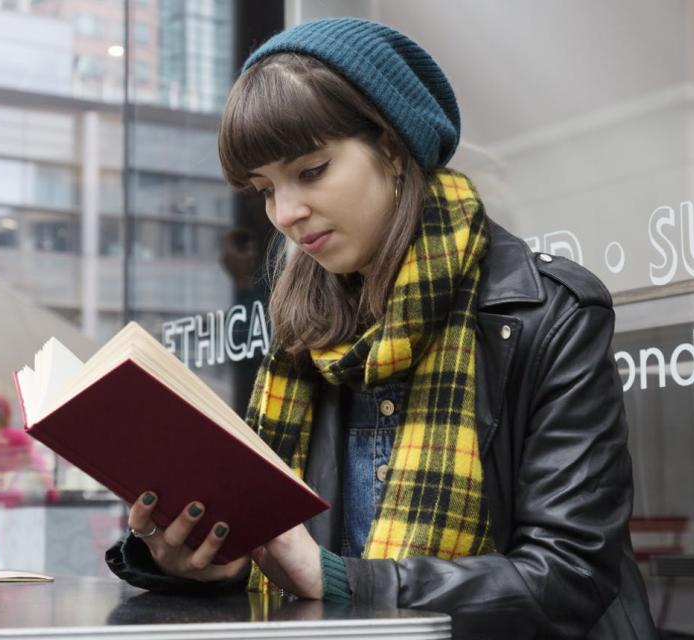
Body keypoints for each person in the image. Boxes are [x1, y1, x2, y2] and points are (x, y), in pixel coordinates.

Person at [106, 18, 656, 638]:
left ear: (394, 150)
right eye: (265, 189)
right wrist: (205, 563)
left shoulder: (549, 313)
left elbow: (569, 577)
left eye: (311, 170)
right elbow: (288, 564)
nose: (285, 214)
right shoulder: (302, 334)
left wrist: (340, 580)